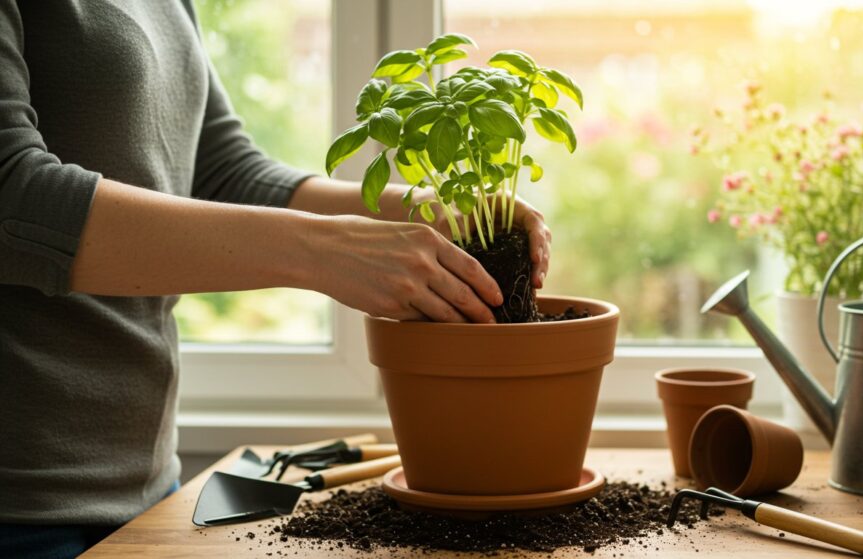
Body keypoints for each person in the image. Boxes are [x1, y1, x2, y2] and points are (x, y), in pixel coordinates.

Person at [0, 2, 551, 557]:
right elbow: (13, 192)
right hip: (23, 510)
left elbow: (223, 172)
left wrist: (424, 211)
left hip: (145, 486)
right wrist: (323, 251)